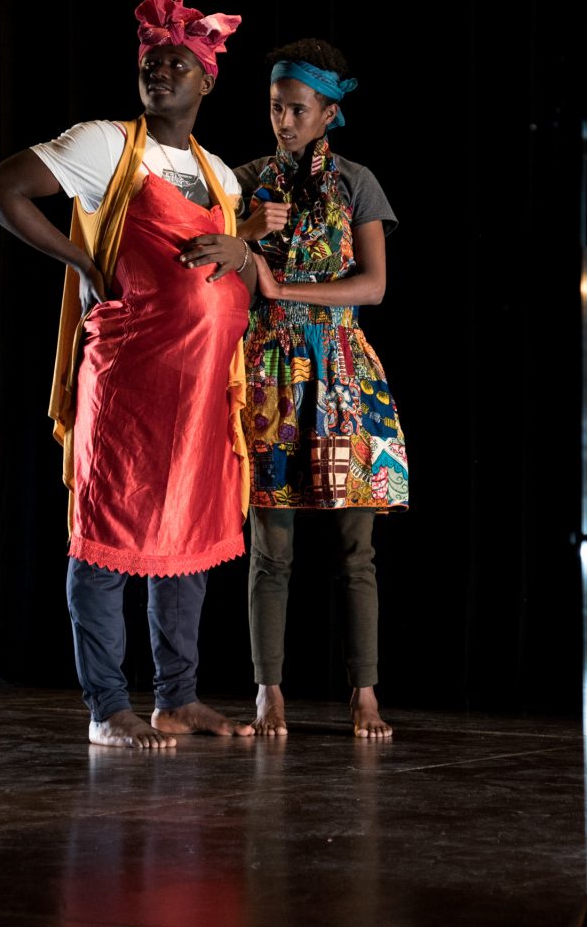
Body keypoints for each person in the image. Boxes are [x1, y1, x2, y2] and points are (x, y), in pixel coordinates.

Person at [0, 0, 257, 748]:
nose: (159, 71)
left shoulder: (220, 176)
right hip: (129, 379)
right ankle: (107, 709)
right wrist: (80, 261)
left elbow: (239, 276)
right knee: (106, 532)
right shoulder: (105, 144)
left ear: (207, 80)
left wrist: (242, 253)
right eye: (150, 62)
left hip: (200, 389)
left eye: (177, 63)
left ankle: (177, 700)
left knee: (187, 538)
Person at [230, 38, 409, 738]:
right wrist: (244, 231)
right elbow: (207, 271)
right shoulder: (242, 181)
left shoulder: (357, 182)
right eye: (276, 107)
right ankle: (267, 692)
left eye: (297, 109)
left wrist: (283, 287)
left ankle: (364, 693)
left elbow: (375, 285)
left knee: (356, 550)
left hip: (341, 374)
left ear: (330, 112)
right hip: (270, 374)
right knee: (270, 550)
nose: (284, 120)